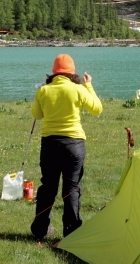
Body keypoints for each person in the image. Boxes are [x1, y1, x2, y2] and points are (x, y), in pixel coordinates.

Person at [30, 53, 103, 242]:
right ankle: (72, 233)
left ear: (54, 72)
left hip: (50, 144)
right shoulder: (78, 89)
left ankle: (40, 231)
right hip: (74, 144)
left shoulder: (43, 90)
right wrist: (88, 85)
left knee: (48, 188)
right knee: (71, 189)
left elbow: (36, 115)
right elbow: (97, 109)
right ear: (72, 72)